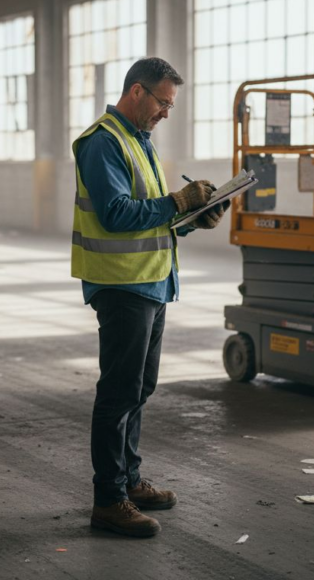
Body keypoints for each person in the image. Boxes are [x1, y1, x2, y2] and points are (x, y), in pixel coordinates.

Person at [71, 57, 229, 538]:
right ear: (136, 92)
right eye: (163, 102)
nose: (165, 112)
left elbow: (151, 214)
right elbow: (118, 214)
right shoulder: (103, 141)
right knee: (118, 392)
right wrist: (178, 201)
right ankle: (108, 499)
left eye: (170, 105)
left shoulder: (139, 141)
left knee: (139, 388)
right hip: (121, 285)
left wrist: (193, 217)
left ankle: (130, 481)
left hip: (151, 281)